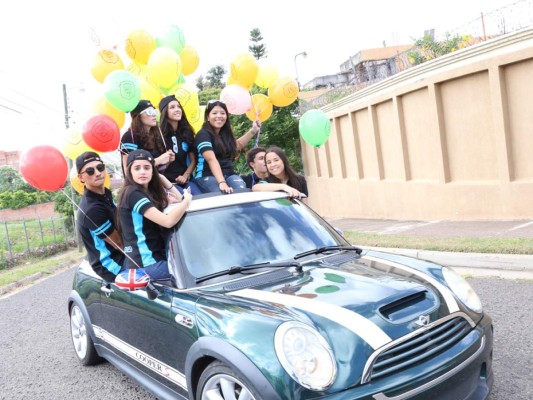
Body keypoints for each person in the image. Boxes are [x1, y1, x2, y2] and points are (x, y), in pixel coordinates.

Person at [117, 149, 192, 280]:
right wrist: (186, 202)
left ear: (153, 170)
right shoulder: (133, 193)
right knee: (190, 272)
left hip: (155, 260)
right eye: (137, 168)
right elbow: (168, 221)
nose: (142, 172)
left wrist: (161, 178)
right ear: (129, 171)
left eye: (147, 168)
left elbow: (180, 198)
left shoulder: (146, 192)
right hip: (146, 264)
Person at [76, 151, 125, 282]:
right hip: (112, 264)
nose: (97, 173)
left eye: (100, 167)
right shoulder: (91, 209)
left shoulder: (104, 195)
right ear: (81, 178)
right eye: (90, 171)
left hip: (122, 254)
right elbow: (119, 243)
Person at [194, 99, 260, 194]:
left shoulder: (225, 135)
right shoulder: (203, 135)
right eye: (215, 113)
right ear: (208, 117)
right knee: (220, 194)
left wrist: (254, 130)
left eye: (222, 113)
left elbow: (236, 146)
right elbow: (211, 159)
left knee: (242, 192)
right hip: (206, 174)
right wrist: (222, 182)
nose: (219, 116)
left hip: (229, 174)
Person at [158, 95, 202, 195]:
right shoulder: (159, 135)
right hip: (167, 183)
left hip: (186, 180)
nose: (177, 109)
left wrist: (185, 176)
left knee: (199, 198)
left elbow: (193, 160)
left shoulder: (187, 132)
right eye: (172, 107)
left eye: (179, 106)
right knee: (182, 200)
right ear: (165, 112)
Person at [119, 99, 175, 174]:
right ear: (138, 116)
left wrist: (168, 160)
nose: (154, 114)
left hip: (156, 182)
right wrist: (159, 160)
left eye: (155, 111)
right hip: (138, 185)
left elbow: (159, 170)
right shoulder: (129, 136)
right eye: (149, 112)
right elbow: (129, 169)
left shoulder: (156, 135)